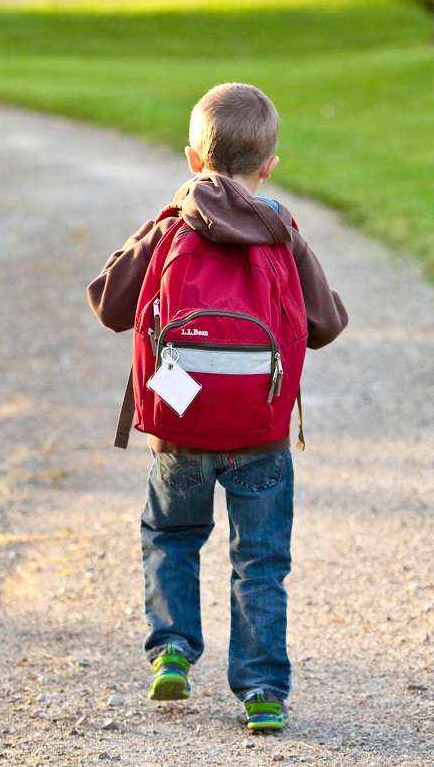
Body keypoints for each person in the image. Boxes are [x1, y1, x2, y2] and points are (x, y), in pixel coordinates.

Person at [87, 82, 347, 731]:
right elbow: (326, 324)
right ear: (269, 166)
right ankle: (262, 691)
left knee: (172, 537)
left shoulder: (174, 225)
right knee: (259, 561)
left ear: (191, 160)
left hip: (180, 431)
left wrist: (163, 218)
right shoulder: (281, 228)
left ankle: (172, 650)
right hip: (261, 434)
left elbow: (109, 304)